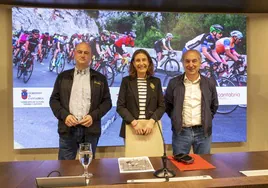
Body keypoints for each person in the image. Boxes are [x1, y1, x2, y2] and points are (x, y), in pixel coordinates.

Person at [50, 42, 112, 160]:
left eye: (86, 53)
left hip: (90, 130)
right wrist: (65, 116)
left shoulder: (100, 78)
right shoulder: (63, 77)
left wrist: (93, 116)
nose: (83, 55)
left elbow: (107, 103)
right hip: (67, 130)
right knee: (65, 169)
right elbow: (54, 100)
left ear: (90, 56)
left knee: (87, 168)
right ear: (74, 54)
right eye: (80, 52)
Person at [165, 49, 218, 155]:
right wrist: (176, 118)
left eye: (194, 61)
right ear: (183, 63)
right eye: (187, 61)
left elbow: (214, 105)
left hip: (204, 133)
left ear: (200, 62)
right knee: (180, 166)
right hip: (181, 132)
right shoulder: (174, 83)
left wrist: (206, 118)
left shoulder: (209, 83)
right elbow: (168, 105)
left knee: (204, 166)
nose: (191, 64)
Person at [117, 49, 165, 138]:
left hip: (151, 128)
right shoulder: (126, 81)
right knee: (132, 153)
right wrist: (134, 123)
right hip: (131, 128)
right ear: (134, 64)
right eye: (138, 60)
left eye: (144, 60)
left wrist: (151, 122)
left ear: (149, 62)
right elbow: (120, 107)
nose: (141, 63)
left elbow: (161, 106)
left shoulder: (156, 82)